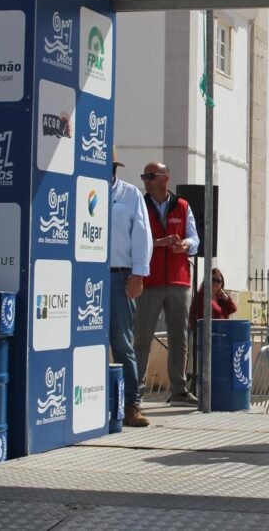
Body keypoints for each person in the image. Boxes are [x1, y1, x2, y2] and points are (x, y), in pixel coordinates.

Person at [134, 162, 201, 407]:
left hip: (178, 280)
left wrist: (185, 245)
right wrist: (159, 242)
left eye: (150, 176)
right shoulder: (139, 205)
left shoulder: (182, 206)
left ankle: (179, 390)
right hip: (149, 279)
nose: (146, 180)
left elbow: (195, 238)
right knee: (142, 337)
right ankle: (135, 390)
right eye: (144, 176)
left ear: (165, 178)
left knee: (179, 338)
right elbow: (135, 239)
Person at [108, 150, 154, 427]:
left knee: (122, 343)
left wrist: (138, 274)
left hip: (119, 276)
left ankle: (131, 403)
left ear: (114, 168)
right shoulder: (81, 187)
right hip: (84, 274)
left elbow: (142, 236)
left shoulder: (130, 194)